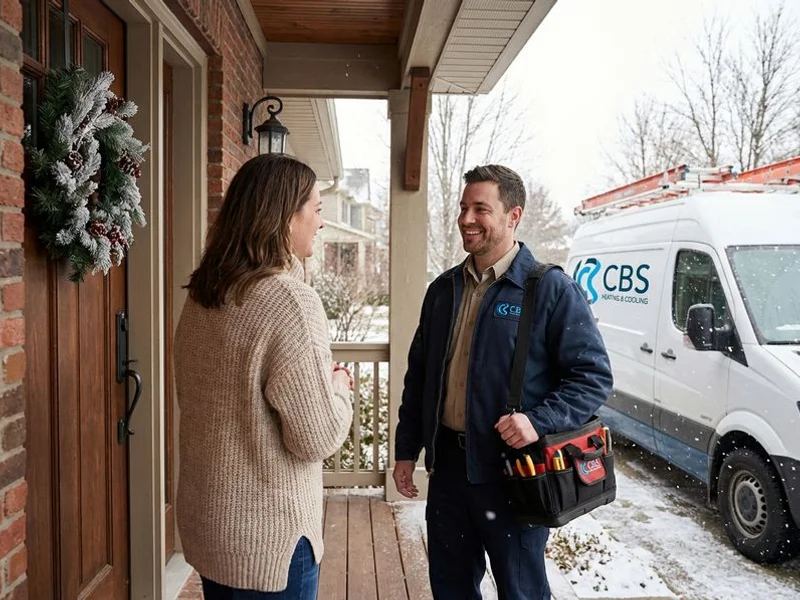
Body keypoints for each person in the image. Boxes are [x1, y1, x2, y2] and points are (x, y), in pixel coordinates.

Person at [393, 164, 613, 600]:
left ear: (513, 216)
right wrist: (406, 450)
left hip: (514, 473)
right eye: (463, 208)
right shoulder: (443, 291)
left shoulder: (549, 290)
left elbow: (593, 377)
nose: (467, 219)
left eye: (481, 209)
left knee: (521, 591)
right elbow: (419, 377)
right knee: (451, 589)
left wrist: (539, 419)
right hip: (450, 476)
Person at [173, 154, 354, 600]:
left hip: (211, 525)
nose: (321, 223)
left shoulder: (203, 295)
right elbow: (315, 437)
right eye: (316, 208)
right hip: (269, 540)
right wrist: (338, 389)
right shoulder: (288, 302)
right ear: (285, 216)